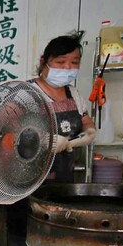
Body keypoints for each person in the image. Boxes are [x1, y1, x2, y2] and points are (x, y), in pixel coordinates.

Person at [29, 30, 96, 182]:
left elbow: (85, 121)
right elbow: (7, 134)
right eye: (60, 62)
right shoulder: (25, 93)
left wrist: (89, 132)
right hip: (30, 180)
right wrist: (43, 141)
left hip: (64, 178)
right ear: (43, 62)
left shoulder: (73, 93)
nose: (67, 68)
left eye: (74, 62)